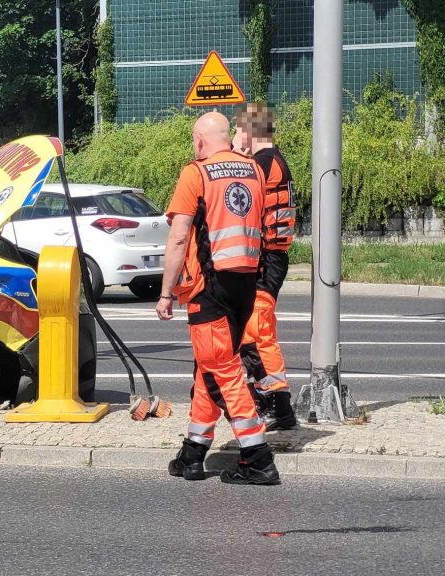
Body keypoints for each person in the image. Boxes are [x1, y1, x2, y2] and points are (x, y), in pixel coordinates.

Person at [156, 111, 280, 485]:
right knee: (210, 367)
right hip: (245, 284)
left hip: (208, 288)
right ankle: (192, 454)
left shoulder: (196, 172)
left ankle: (257, 458)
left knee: (222, 372)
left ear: (199, 141)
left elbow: (179, 238)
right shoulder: (254, 171)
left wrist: (165, 292)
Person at [233, 103, 299, 431]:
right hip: (267, 259)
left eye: (238, 129)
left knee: (258, 332)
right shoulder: (271, 161)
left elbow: (236, 192)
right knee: (249, 331)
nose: (236, 135)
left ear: (249, 131)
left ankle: (278, 407)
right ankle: (268, 401)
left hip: (267, 260)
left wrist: (232, 152)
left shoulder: (264, 163)